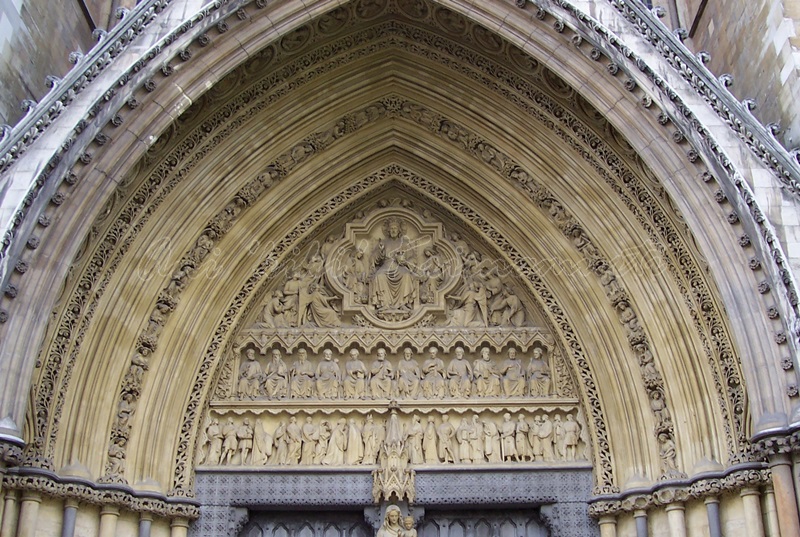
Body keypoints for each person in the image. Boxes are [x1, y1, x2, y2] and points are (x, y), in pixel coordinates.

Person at [370, 218, 418, 311]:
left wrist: (404, 261)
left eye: (395, 228)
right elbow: (373, 258)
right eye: (391, 228)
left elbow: (413, 258)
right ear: (388, 230)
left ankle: (403, 302)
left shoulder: (404, 243)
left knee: (406, 275)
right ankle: (384, 303)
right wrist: (381, 251)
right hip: (386, 267)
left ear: (399, 230)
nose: (393, 230)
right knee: (379, 276)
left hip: (400, 267)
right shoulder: (383, 242)